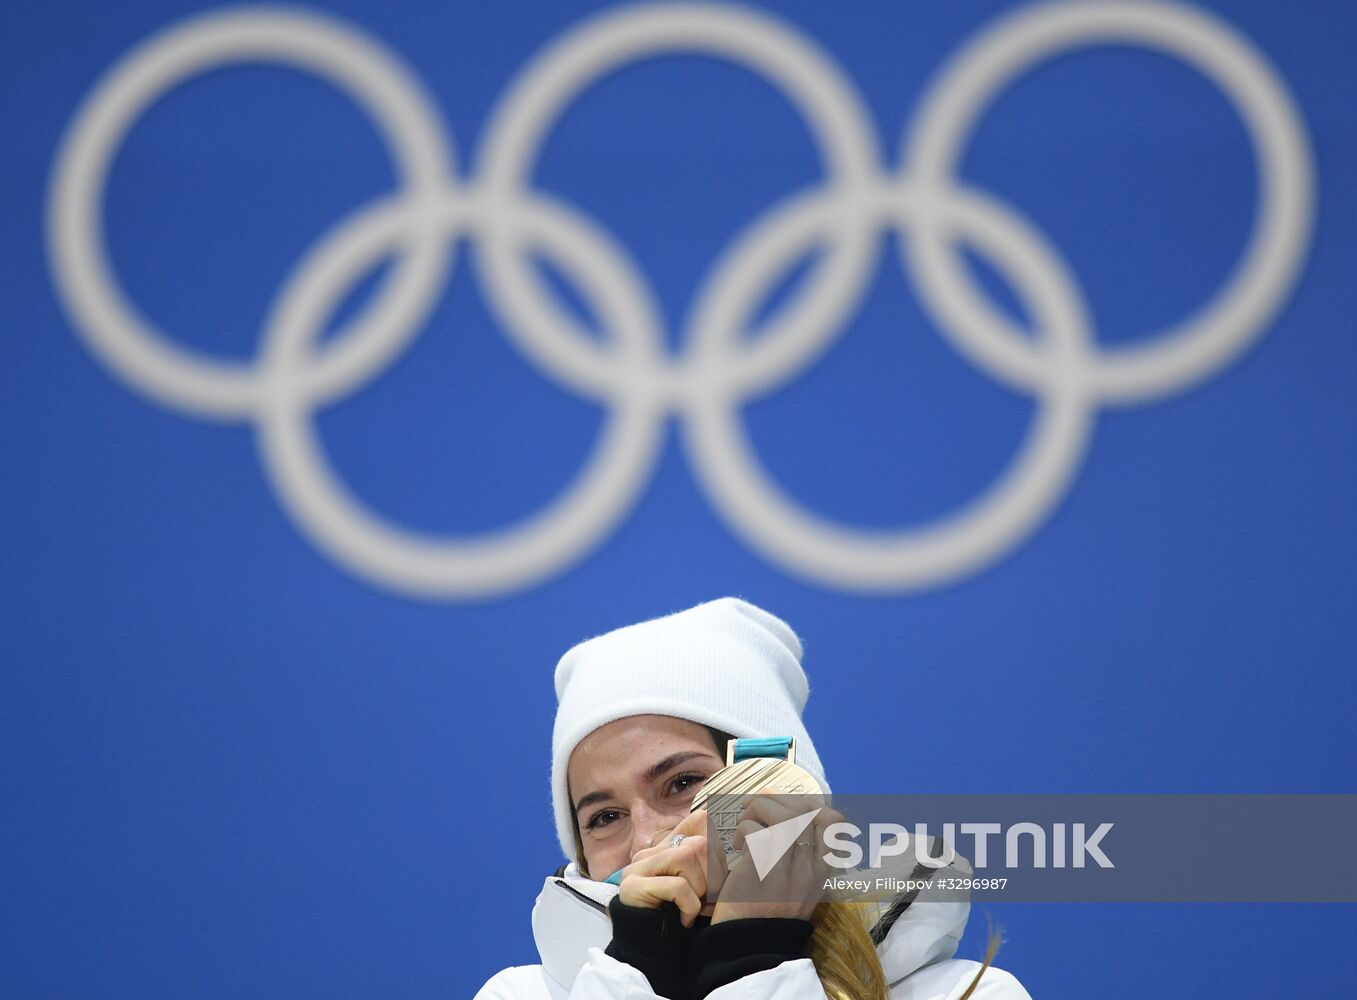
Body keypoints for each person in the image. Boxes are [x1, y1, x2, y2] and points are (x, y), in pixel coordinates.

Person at [473, 597, 1032, 999]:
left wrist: (752, 957)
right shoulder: (517, 995)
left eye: (683, 784)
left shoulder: (965, 994)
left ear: (787, 797)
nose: (646, 840)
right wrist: (636, 971)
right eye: (606, 817)